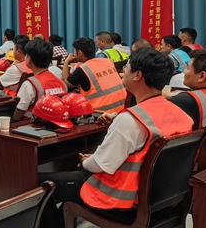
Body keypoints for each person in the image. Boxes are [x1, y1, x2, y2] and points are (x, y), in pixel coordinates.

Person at [38, 48, 193, 226]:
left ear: (137, 75)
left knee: (39, 182)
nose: (124, 71)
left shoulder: (130, 121)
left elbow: (99, 165)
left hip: (122, 198)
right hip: (162, 197)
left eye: (127, 67)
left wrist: (85, 162)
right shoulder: (182, 115)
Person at [62, 37, 126, 113]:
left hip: (101, 114)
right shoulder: (108, 61)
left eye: (74, 51)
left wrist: (66, 61)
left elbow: (65, 83)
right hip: (122, 108)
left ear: (80, 53)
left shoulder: (83, 69)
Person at [13, 40, 68, 122]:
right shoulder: (62, 83)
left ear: (29, 60)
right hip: (57, 124)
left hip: (31, 126)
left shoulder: (30, 84)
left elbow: (17, 116)